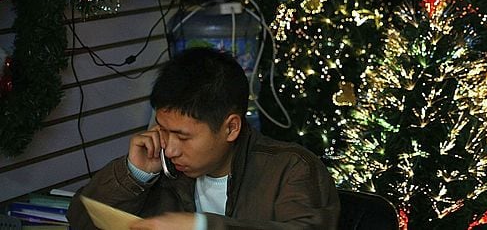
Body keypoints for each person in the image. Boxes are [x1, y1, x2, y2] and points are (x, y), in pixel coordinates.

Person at [68, 47, 340, 230]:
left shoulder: (291, 168)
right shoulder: (160, 164)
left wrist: (200, 225)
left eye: (183, 136)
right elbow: (80, 221)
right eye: (163, 129)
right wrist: (133, 176)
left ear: (231, 128)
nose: (170, 148)